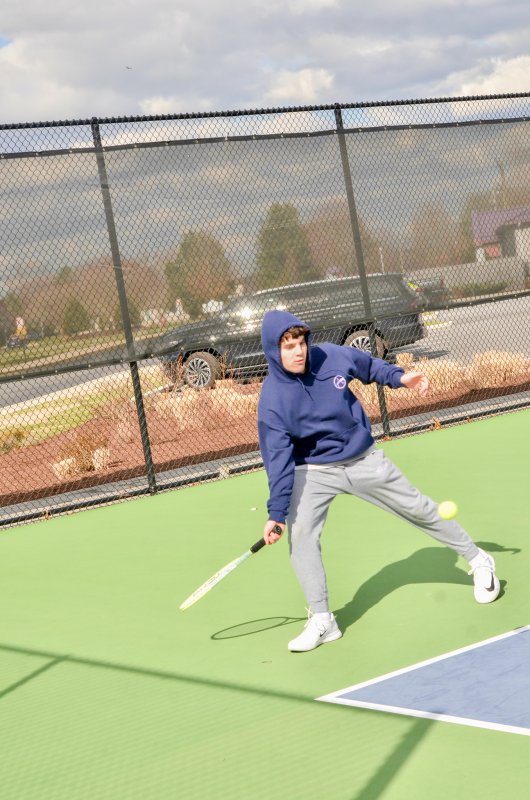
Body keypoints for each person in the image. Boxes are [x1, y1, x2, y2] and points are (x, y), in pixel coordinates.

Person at [257, 310, 500, 653]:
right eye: (287, 346)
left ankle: (479, 560)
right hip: (312, 469)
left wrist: (400, 378)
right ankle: (323, 619)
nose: (298, 352)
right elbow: (278, 460)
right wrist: (277, 512)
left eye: (300, 343)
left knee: (418, 508)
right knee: (301, 536)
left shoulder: (332, 355)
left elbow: (369, 367)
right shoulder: (272, 401)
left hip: (362, 458)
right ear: (273, 351)